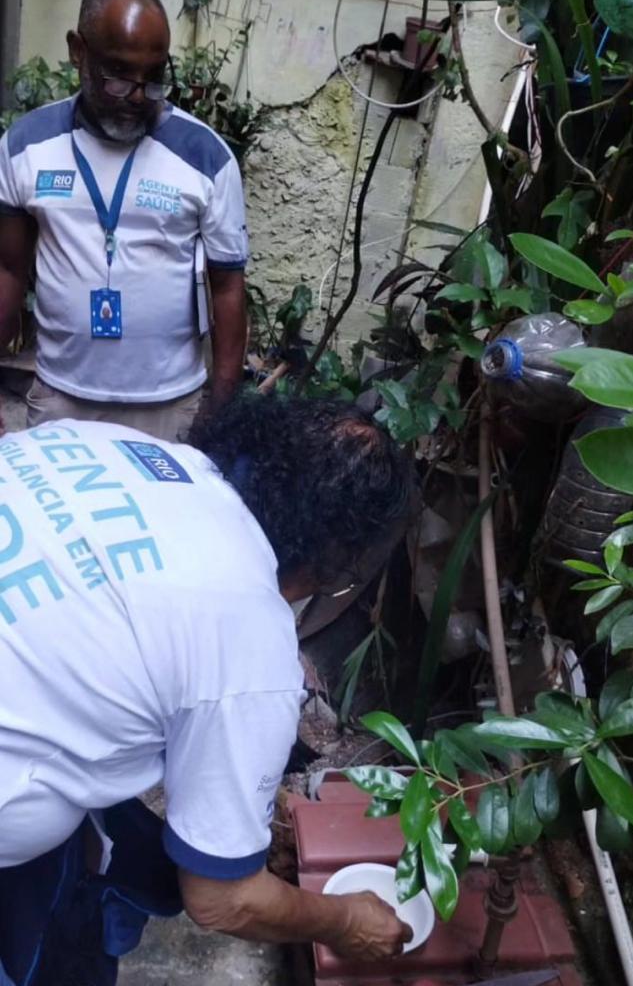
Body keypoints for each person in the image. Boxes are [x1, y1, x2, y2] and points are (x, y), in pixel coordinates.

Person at [0, 392, 414, 985]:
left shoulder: (114, 445)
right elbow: (224, 899)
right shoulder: (250, 637)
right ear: (330, 563)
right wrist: (346, 920)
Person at [0, 0, 248, 441]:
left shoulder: (206, 157)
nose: (138, 95)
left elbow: (228, 288)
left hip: (171, 409)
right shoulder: (24, 146)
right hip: (61, 402)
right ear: (79, 51)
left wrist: (220, 409)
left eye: (153, 78)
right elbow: (8, 271)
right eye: (118, 76)